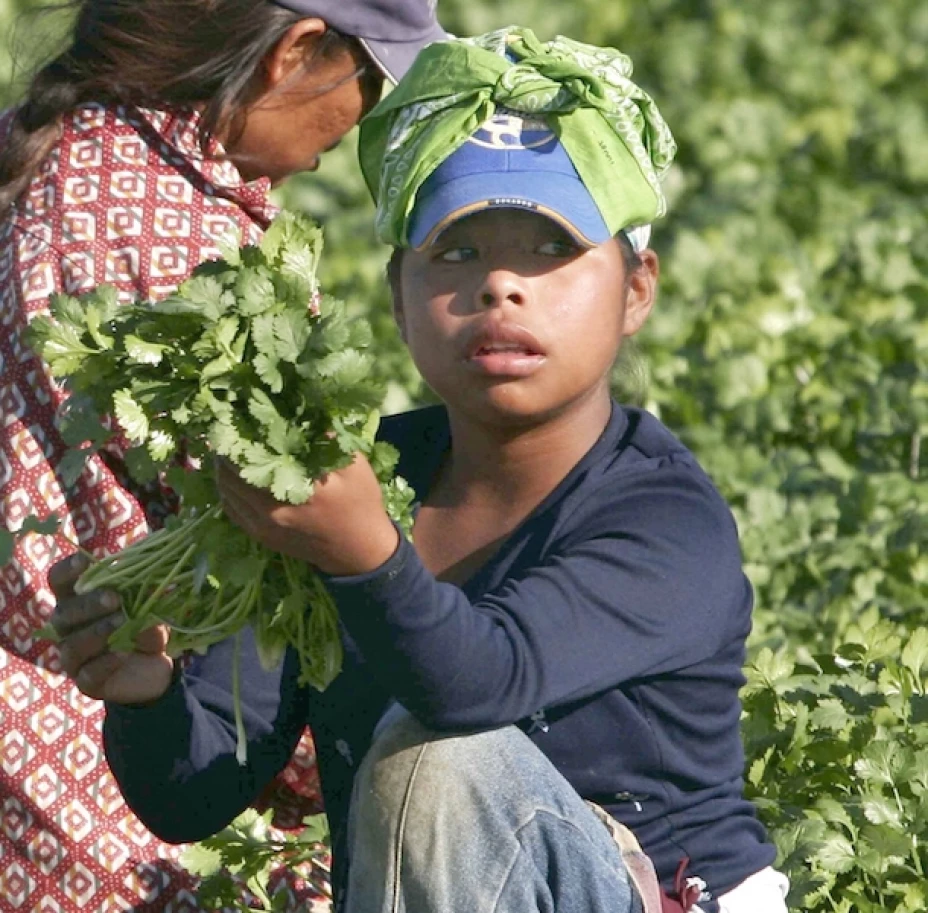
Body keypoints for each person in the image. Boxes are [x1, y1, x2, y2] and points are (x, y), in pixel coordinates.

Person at [47, 27, 791, 913]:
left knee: (437, 760)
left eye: (550, 250)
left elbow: (479, 683)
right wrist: (150, 695)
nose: (500, 288)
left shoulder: (666, 517)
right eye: (457, 252)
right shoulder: (341, 478)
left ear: (636, 288)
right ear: (399, 295)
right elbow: (194, 792)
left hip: (659, 895)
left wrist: (362, 553)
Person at [0, 1, 445, 910]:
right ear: (294, 54)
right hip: (101, 778)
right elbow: (290, 546)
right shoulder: (191, 257)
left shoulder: (63, 144)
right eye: (370, 83)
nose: (362, 119)